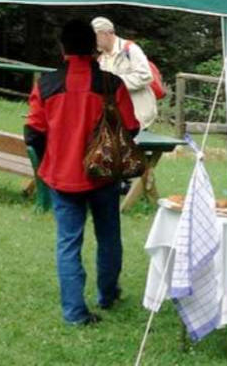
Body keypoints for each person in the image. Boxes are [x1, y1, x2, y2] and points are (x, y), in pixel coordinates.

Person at [24, 19, 139, 325]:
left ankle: (74, 312)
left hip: (62, 176)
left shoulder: (46, 84)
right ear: (93, 47)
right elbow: (131, 127)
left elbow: (33, 132)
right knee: (109, 236)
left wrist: (54, 155)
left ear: (62, 47)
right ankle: (108, 294)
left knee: (68, 242)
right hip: (103, 176)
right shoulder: (111, 84)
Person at [91, 16, 157, 129]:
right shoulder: (102, 59)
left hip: (138, 113)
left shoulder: (130, 49)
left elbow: (146, 76)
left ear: (106, 34)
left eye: (94, 37)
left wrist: (116, 82)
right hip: (118, 115)